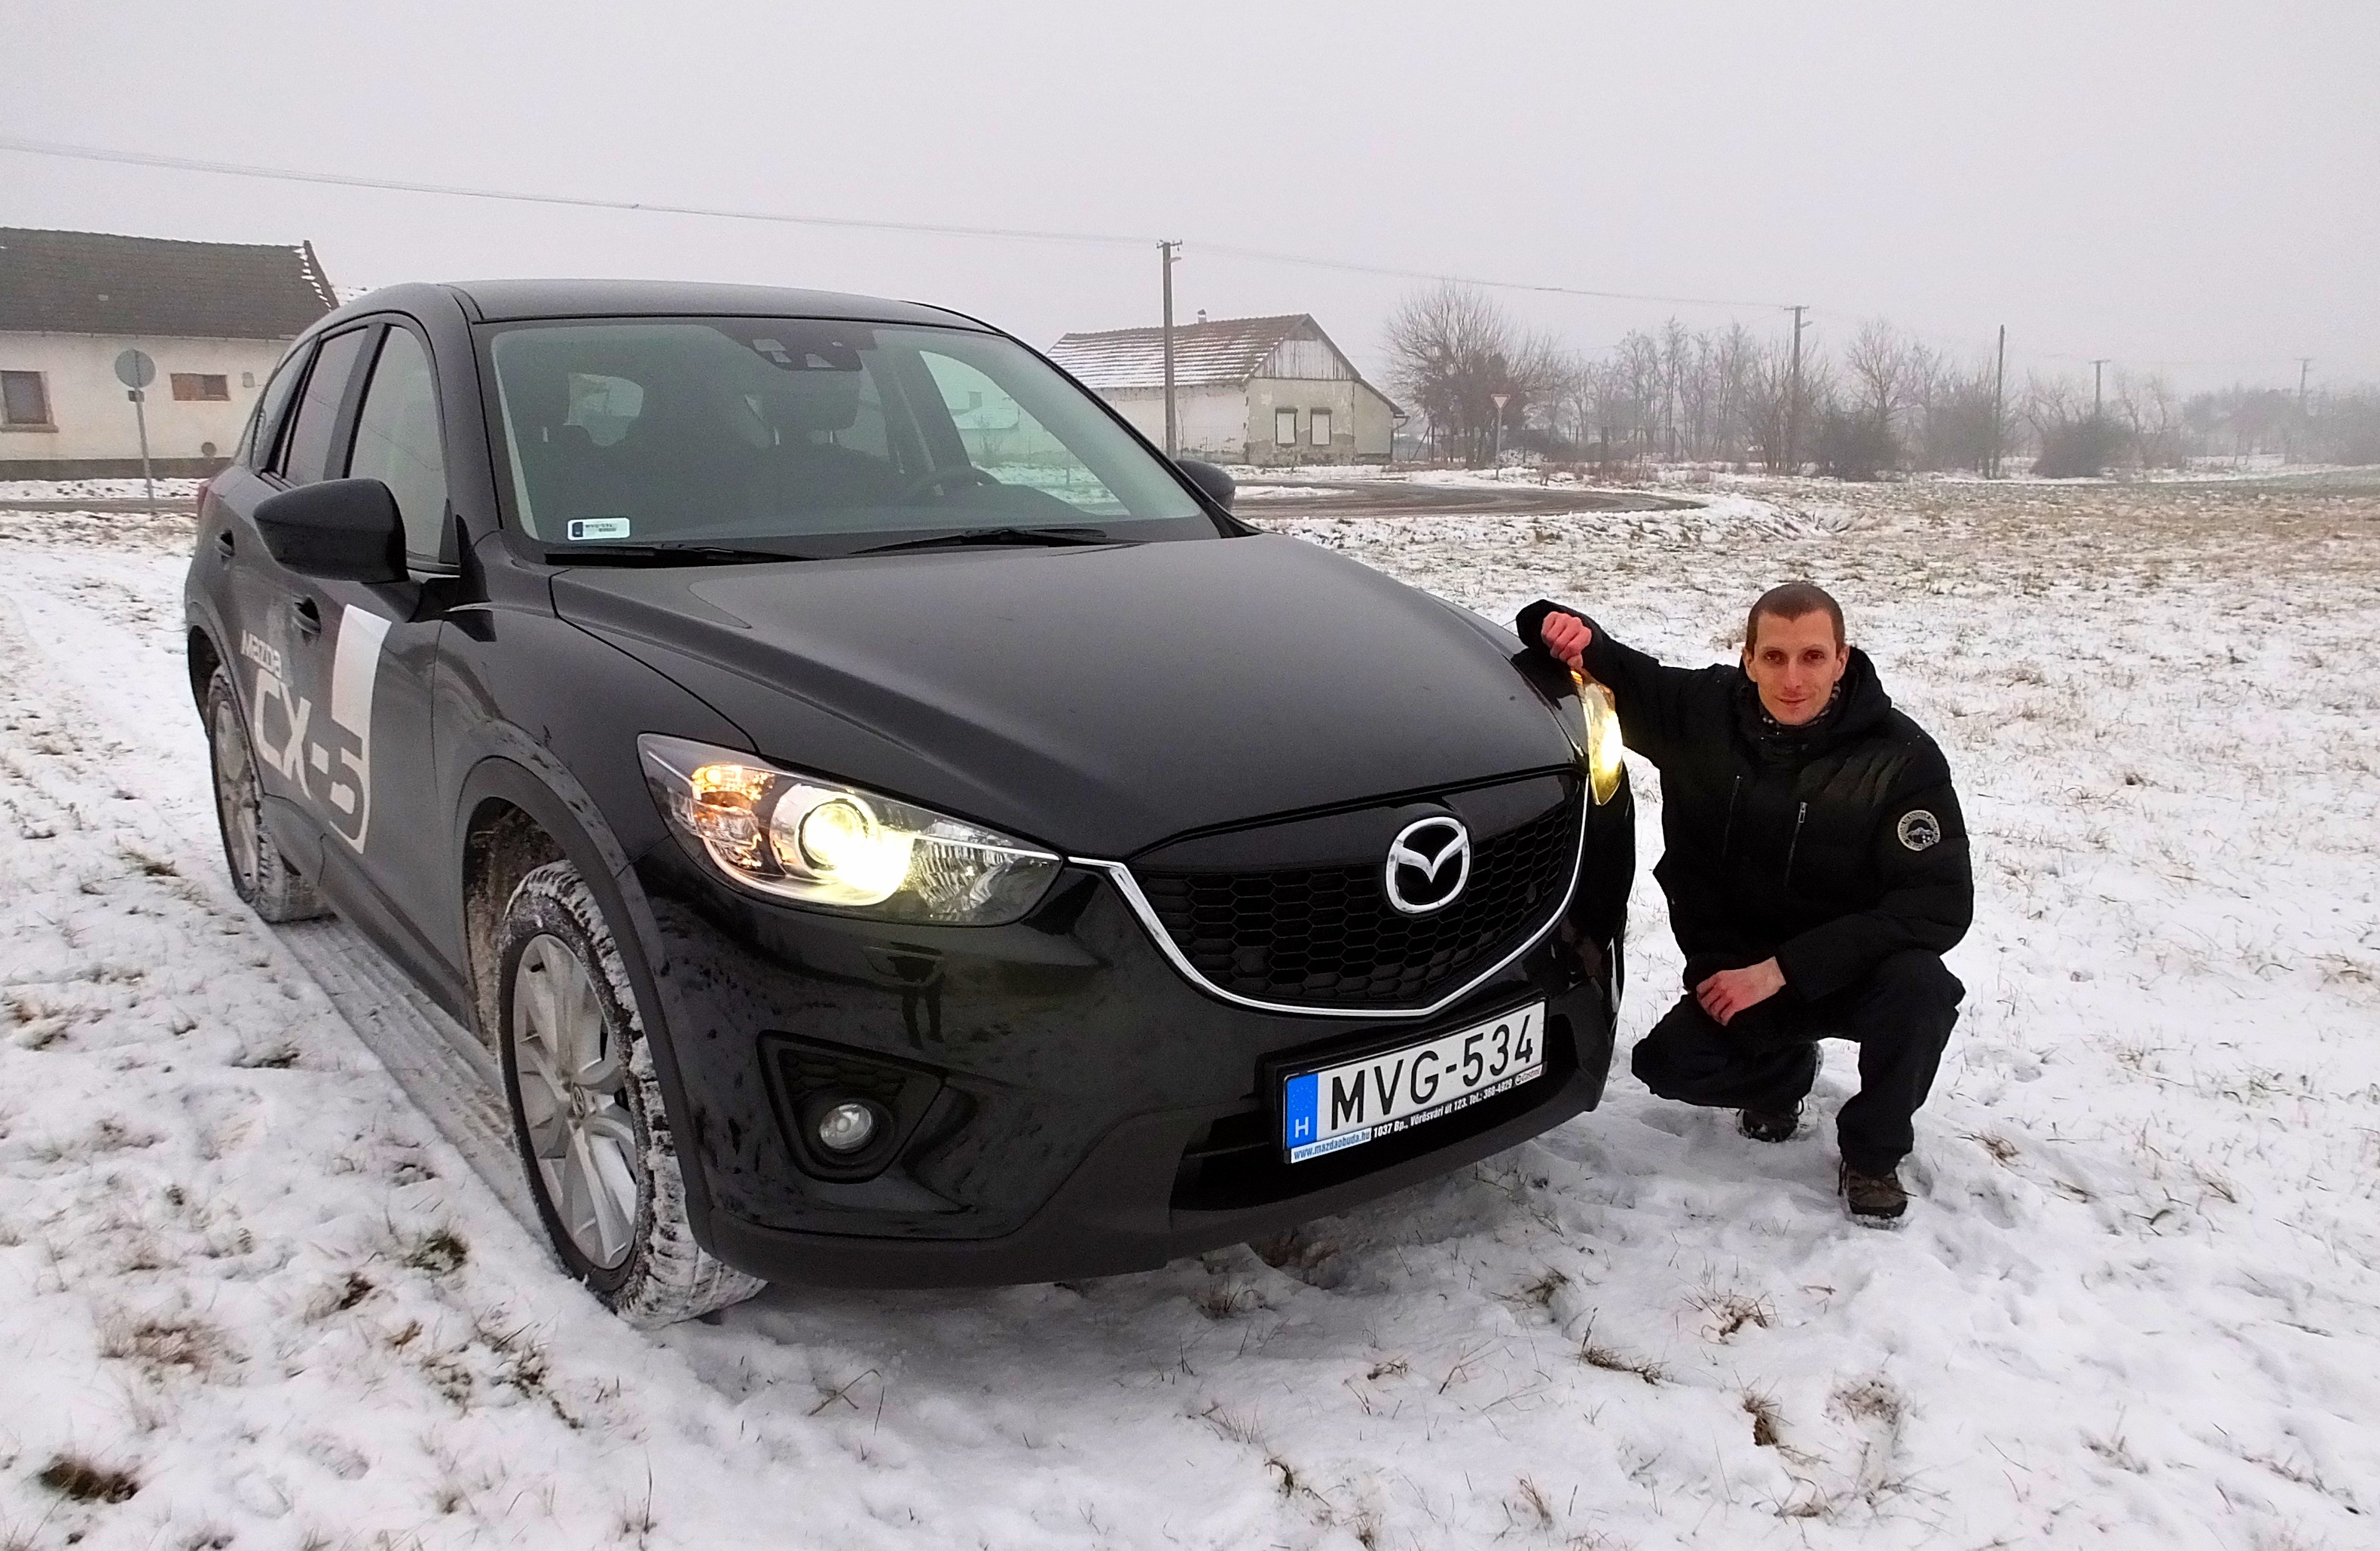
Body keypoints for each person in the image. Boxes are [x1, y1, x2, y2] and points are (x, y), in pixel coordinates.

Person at [1518, 584, 1972, 1220]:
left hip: (1851, 971)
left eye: (1812, 657)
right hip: (1735, 973)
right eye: (1774, 657)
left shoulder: (1901, 759)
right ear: (1748, 659)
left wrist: (1784, 969)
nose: (1793, 679)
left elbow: (1938, 905)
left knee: (1920, 990)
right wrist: (1554, 624)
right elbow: (1607, 661)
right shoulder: (1700, 712)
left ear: (1841, 659)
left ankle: (1872, 1153)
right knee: (1668, 1066)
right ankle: (1783, 1076)